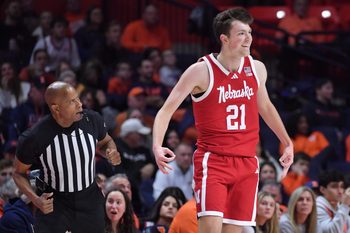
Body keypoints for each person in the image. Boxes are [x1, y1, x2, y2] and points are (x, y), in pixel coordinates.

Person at [152, 7, 294, 233]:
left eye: (249, 32)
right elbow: (166, 110)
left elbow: (265, 107)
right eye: (241, 33)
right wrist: (157, 145)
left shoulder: (257, 68)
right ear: (224, 38)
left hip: (247, 162)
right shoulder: (200, 71)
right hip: (214, 162)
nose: (248, 38)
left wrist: (287, 142)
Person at [12, 81, 121, 233]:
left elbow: (106, 141)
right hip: (56, 202)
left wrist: (111, 152)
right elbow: (18, 173)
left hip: (90, 198)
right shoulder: (35, 136)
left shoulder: (92, 120)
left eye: (78, 98)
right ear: (56, 108)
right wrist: (36, 200)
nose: (80, 104)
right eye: (72, 101)